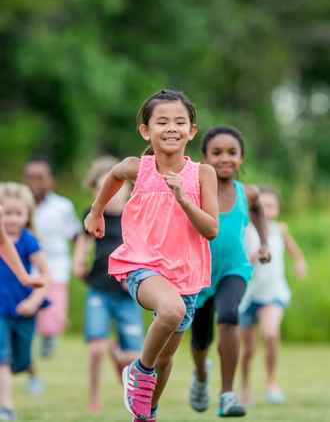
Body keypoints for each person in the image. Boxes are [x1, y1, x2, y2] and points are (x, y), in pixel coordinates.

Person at [84, 89, 218, 422]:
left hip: (186, 273)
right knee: (170, 311)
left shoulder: (202, 175)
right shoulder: (137, 168)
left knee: (165, 358)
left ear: (192, 131)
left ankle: (145, 414)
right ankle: (138, 370)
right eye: (162, 121)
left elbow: (211, 229)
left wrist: (185, 199)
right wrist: (96, 211)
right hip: (141, 263)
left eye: (179, 122)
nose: (171, 128)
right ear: (146, 131)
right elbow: (114, 174)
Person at [189, 126, 271, 418]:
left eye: (232, 153)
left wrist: (263, 243)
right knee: (200, 340)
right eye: (217, 153)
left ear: (242, 158)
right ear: (204, 158)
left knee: (229, 314)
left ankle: (227, 394)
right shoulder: (194, 190)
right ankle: (200, 375)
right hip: (198, 273)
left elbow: (259, 210)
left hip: (234, 268)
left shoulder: (247, 192)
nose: (225, 159)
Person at [73, 156, 144, 414]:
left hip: (128, 294)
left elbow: (144, 249)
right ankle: (94, 396)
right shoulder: (93, 214)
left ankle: (124, 369)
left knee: (133, 355)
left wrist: (137, 276)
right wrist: (78, 261)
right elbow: (84, 242)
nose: (112, 194)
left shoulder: (135, 216)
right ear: (96, 190)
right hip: (100, 290)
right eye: (104, 188)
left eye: (117, 187)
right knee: (95, 349)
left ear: (128, 188)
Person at [240, 187, 307, 405]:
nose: (267, 211)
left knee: (270, 334)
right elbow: (240, 262)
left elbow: (295, 252)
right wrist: (253, 257)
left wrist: (299, 263)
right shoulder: (246, 231)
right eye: (262, 206)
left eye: (271, 206)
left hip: (273, 292)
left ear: (277, 209)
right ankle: (245, 388)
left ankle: (272, 383)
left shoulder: (280, 230)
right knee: (248, 349)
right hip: (247, 296)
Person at [0, 183, 49, 421]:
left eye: (17, 213)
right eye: (6, 213)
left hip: (23, 308)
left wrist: (34, 300)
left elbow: (44, 276)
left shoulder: (29, 241)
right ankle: (7, 407)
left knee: (21, 359)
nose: (11, 219)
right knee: (2, 357)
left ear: (27, 215)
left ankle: (29, 373)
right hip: (0, 308)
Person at [24, 158, 81, 357]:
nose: (35, 183)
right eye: (30, 178)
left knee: (52, 312)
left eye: (40, 178)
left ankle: (48, 340)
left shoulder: (62, 206)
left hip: (56, 267)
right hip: (26, 267)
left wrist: (80, 258)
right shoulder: (20, 206)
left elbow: (75, 235)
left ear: (50, 181)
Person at [0, 205, 45, 288]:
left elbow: (2, 241)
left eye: (18, 214)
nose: (13, 219)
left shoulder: (28, 239)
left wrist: (24, 277)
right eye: (8, 213)